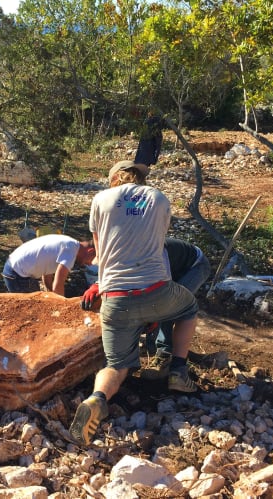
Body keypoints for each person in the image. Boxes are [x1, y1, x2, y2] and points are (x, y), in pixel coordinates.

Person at [71, 160, 199, 445]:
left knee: (116, 364)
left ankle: (96, 399)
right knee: (188, 307)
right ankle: (178, 370)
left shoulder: (101, 199)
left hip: (115, 297)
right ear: (140, 178)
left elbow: (101, 251)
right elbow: (157, 240)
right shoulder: (158, 198)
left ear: (114, 178)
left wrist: (99, 284)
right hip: (156, 289)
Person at [141, 238, 212, 378]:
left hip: (196, 266)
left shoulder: (152, 254)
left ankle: (165, 355)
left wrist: (155, 316)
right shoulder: (129, 256)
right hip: (173, 269)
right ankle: (152, 346)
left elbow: (165, 298)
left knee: (172, 306)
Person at [2, 234, 96, 296]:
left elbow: (47, 274)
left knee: (39, 303)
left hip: (15, 269)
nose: (89, 264)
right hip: (17, 275)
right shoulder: (71, 252)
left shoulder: (69, 243)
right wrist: (62, 305)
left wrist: (50, 293)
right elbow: (58, 285)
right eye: (92, 260)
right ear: (90, 251)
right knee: (34, 310)